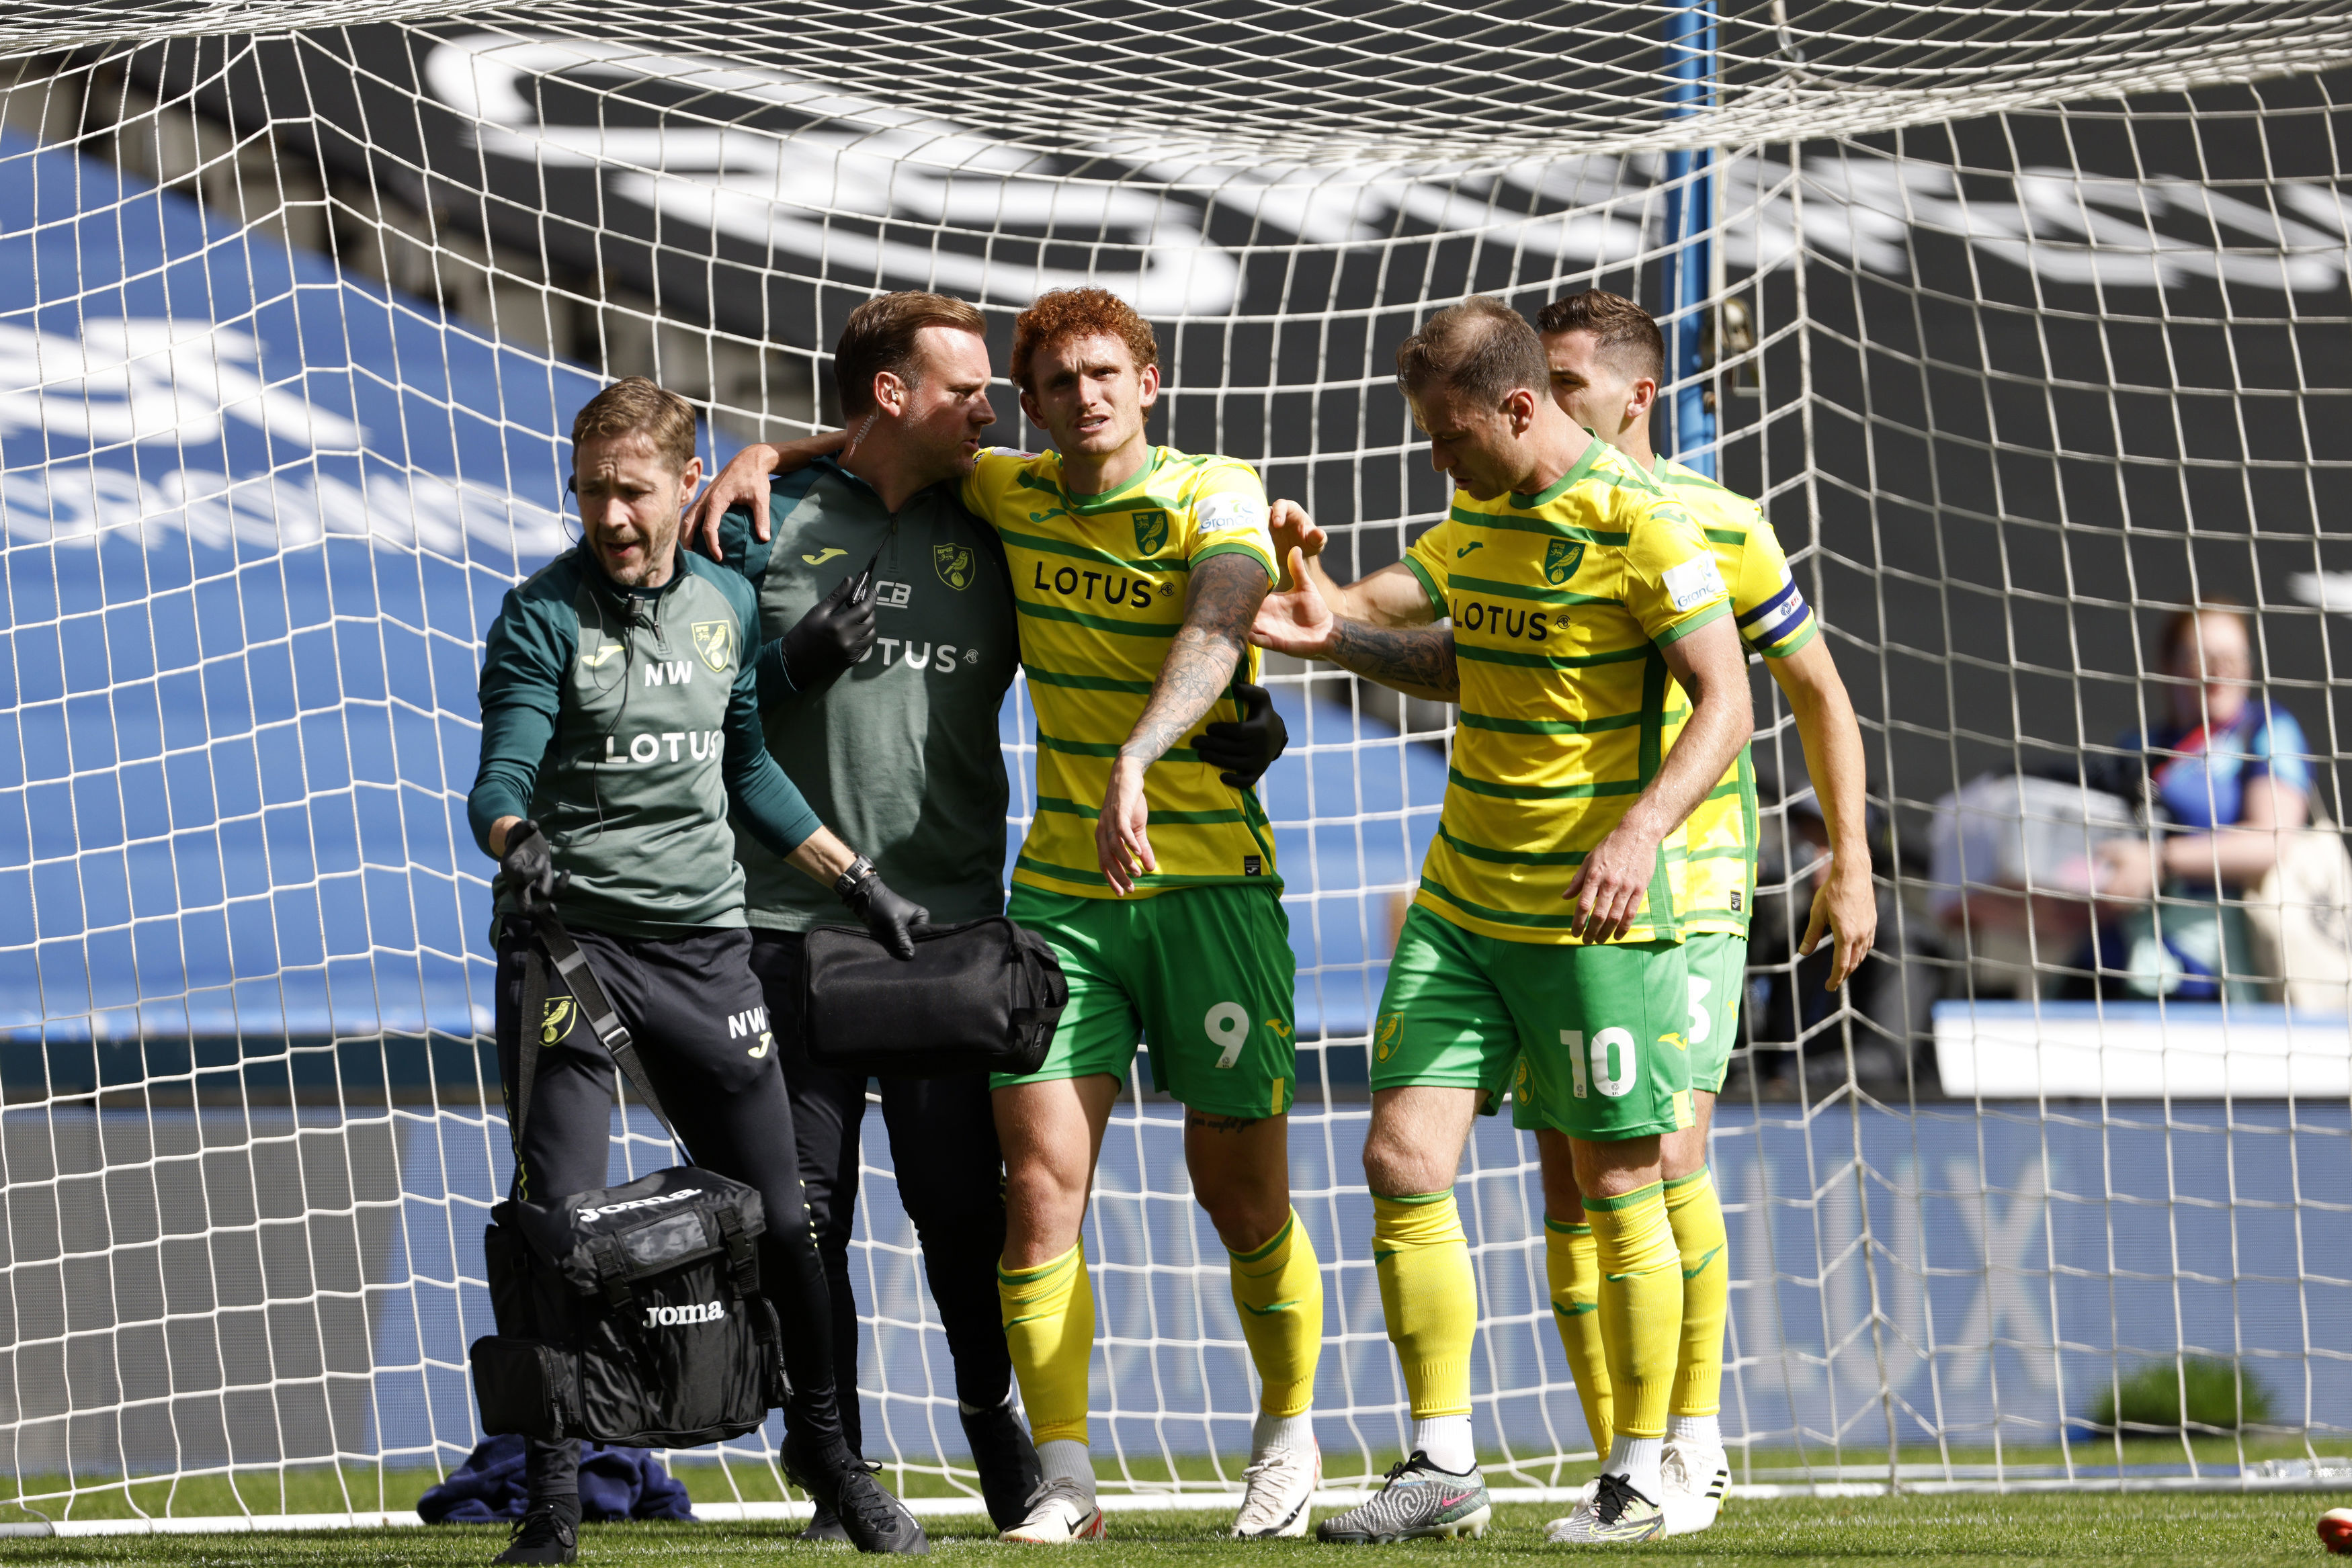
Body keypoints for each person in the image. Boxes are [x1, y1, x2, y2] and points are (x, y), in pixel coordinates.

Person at [685, 288, 1317, 1544]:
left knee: (1076, 1199)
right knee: (904, 1206)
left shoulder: (1106, 495)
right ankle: (928, 1471)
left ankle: (1202, 1442)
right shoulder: (884, 503)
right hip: (894, 911)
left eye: (1094, 375)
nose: (1026, 405)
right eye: (1005, 388)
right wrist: (775, 459)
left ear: (1147, 380)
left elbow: (1217, 614)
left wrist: (1196, 735)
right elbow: (698, 684)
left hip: (1050, 907)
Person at [1252, 296, 1753, 1547]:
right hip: (1462, 899)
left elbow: (1728, 702)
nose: (1437, 456)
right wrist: (1330, 623)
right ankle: (1441, 1461)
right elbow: (1438, 631)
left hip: (1585, 912)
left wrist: (1637, 830)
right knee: (1399, 1160)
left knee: (1618, 1179)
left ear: (1519, 408)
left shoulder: (1642, 525)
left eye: (1448, 431)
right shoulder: (1480, 506)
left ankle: (1645, 1472)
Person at [466, 378, 929, 1563]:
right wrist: (523, 848)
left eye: (632, 491)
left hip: (706, 950)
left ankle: (835, 1463)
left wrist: (854, 876)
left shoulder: (728, 598)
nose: (610, 515)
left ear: (685, 485)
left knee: (786, 1219)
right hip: (571, 951)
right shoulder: (537, 616)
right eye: (590, 492)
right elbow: (500, 779)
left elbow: (746, 767)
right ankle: (552, 1502)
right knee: (558, 1221)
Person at [683, 291, 1040, 1540]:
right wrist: (793, 662)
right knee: (808, 1209)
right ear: (891, 395)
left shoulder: (1000, 515)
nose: (990, 409)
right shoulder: (757, 521)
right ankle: (835, 1464)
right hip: (785, 921)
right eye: (966, 389)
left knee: (960, 1208)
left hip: (943, 924)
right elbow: (703, 717)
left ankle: (998, 1431)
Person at [1525, 290, 1878, 1535]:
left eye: (1567, 380)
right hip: (1548, 885)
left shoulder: (1722, 525)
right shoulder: (1507, 513)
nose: (1544, 401)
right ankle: (1618, 1457)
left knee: (1668, 1146)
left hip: (1698, 880)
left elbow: (1817, 691)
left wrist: (1851, 856)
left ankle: (1690, 1438)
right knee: (1570, 1179)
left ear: (1636, 394)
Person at [2089, 601, 2310, 998]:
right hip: (2127, 945)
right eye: (2203, 656)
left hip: (2225, 961)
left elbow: (2271, 839)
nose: (2220, 669)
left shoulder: (2266, 730)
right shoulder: (2141, 745)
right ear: (2169, 664)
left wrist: (2161, 861)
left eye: (2234, 657)